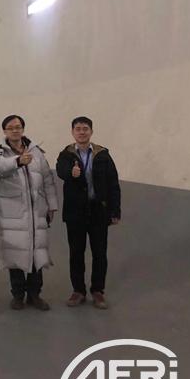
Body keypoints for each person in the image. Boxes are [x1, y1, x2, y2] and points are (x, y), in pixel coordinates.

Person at [0, 115, 58, 311]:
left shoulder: (36, 151)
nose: (15, 130)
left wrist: (52, 204)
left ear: (23, 129)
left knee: (37, 251)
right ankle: (18, 295)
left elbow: (47, 179)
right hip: (12, 211)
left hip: (37, 209)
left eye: (18, 127)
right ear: (4, 131)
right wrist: (18, 161)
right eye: (11, 127)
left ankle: (35, 294)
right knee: (15, 253)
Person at [55, 116, 121, 309]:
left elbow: (113, 183)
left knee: (100, 253)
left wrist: (115, 210)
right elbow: (60, 171)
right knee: (76, 252)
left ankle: (98, 291)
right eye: (78, 129)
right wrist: (71, 173)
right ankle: (78, 291)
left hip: (98, 211)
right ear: (72, 132)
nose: (82, 132)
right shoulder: (66, 154)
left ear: (91, 131)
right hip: (75, 212)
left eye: (85, 128)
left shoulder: (103, 154)